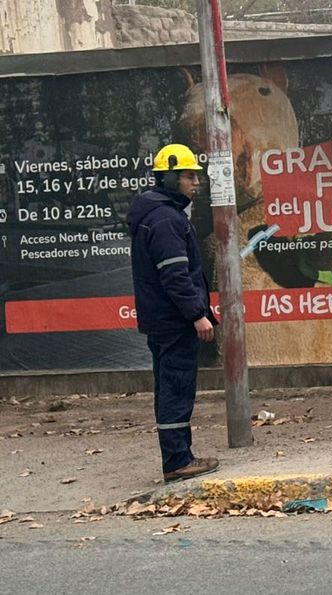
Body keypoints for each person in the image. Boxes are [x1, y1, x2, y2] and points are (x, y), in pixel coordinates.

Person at [128, 143, 220, 483]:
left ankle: (179, 456)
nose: (195, 183)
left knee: (169, 386)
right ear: (168, 178)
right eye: (187, 176)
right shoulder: (166, 219)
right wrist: (198, 314)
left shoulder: (157, 214)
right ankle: (178, 461)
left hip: (162, 320)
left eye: (196, 176)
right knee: (176, 387)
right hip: (173, 321)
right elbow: (175, 275)